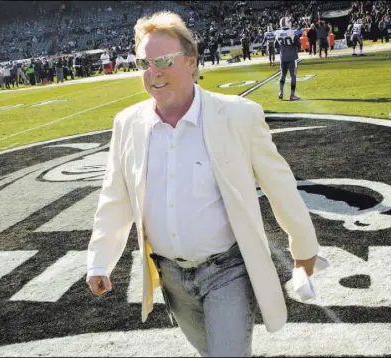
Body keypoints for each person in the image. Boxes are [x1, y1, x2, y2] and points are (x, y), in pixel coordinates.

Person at [86, 11, 319, 357]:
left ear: (192, 63)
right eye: (144, 63)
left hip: (227, 271)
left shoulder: (239, 116)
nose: (154, 73)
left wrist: (303, 251)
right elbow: (114, 197)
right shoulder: (127, 125)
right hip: (171, 278)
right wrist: (99, 260)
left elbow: (280, 185)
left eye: (164, 61)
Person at [275, 18, 301, 101]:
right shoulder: (293, 33)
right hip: (293, 57)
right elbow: (298, 46)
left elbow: (276, 46)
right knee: (293, 76)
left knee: (282, 74)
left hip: (283, 57)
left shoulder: (278, 33)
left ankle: (281, 92)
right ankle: (292, 95)